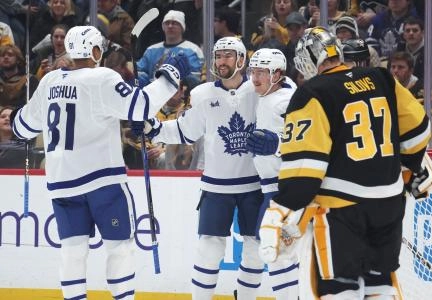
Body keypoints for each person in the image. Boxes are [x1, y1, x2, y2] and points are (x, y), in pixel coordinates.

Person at [10, 25, 189, 300]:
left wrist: (13, 118)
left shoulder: (49, 81)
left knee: (72, 250)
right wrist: (168, 80)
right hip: (102, 182)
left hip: (62, 184)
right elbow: (140, 107)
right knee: (120, 248)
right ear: (94, 51)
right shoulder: (101, 78)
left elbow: (22, 128)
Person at [258, 26, 431, 299]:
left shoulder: (312, 93)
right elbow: (418, 128)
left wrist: (284, 206)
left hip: (342, 210)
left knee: (339, 286)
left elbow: (305, 166)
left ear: (306, 61)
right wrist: (407, 165)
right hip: (389, 203)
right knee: (380, 283)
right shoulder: (381, 77)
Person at [133, 36, 265, 300]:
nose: (221, 61)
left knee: (254, 250)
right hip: (216, 186)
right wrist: (154, 128)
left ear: (241, 59)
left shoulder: (259, 90)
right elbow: (185, 131)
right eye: (218, 55)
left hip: (253, 185)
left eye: (228, 55)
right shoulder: (203, 94)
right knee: (209, 249)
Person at [245, 48, 298, 299]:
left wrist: (277, 145)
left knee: (277, 253)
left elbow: (311, 142)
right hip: (271, 188)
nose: (255, 78)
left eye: (262, 72)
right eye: (253, 71)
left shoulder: (289, 100)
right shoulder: (267, 96)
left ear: (277, 74)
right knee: (275, 253)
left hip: (286, 188)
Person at [137, 10, 204, 85]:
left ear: (182, 27)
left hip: (181, 93)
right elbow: (139, 72)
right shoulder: (151, 50)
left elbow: (196, 78)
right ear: (163, 27)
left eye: (175, 23)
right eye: (167, 23)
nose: (170, 26)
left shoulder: (193, 50)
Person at [0, 44, 39, 108]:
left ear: (18, 60)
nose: (6, 57)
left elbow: (29, 105)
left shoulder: (29, 80)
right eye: (2, 55)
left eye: (10, 55)